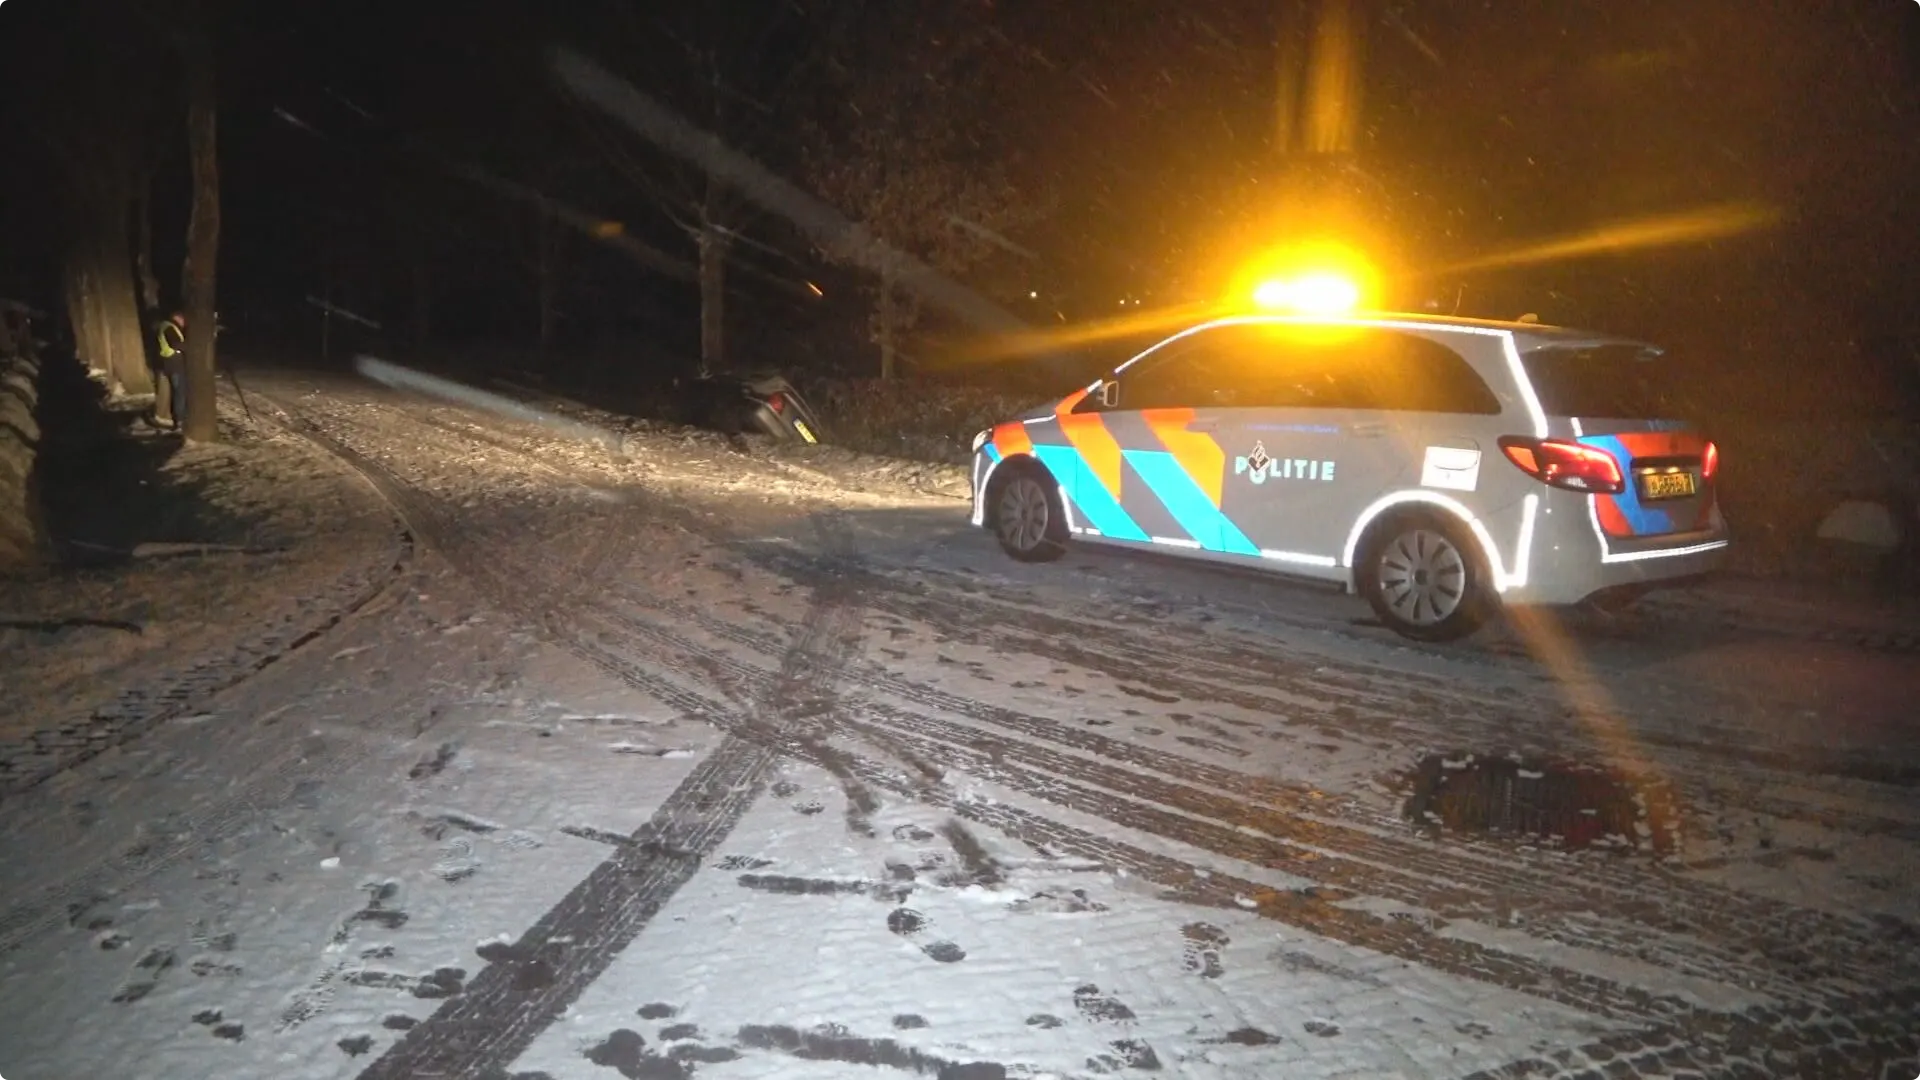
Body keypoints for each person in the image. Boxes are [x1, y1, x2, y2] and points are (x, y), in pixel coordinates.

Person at [154, 311, 188, 429]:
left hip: (167, 363)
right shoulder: (170, 328)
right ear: (177, 318)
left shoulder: (164, 326)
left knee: (175, 392)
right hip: (175, 365)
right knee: (179, 393)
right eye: (183, 319)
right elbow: (176, 344)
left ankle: (173, 417)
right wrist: (190, 348)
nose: (184, 322)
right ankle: (180, 421)